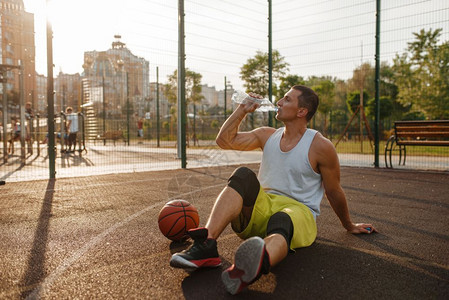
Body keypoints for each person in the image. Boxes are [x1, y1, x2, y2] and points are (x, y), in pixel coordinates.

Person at [169, 85, 377, 295]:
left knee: (281, 219)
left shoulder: (321, 146)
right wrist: (242, 109)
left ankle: (251, 267)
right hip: (262, 208)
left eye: (287, 99)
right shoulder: (266, 135)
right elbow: (224, 141)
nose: (278, 102)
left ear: (301, 111)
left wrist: (349, 225)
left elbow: (334, 191)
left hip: (298, 212)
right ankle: (207, 245)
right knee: (242, 175)